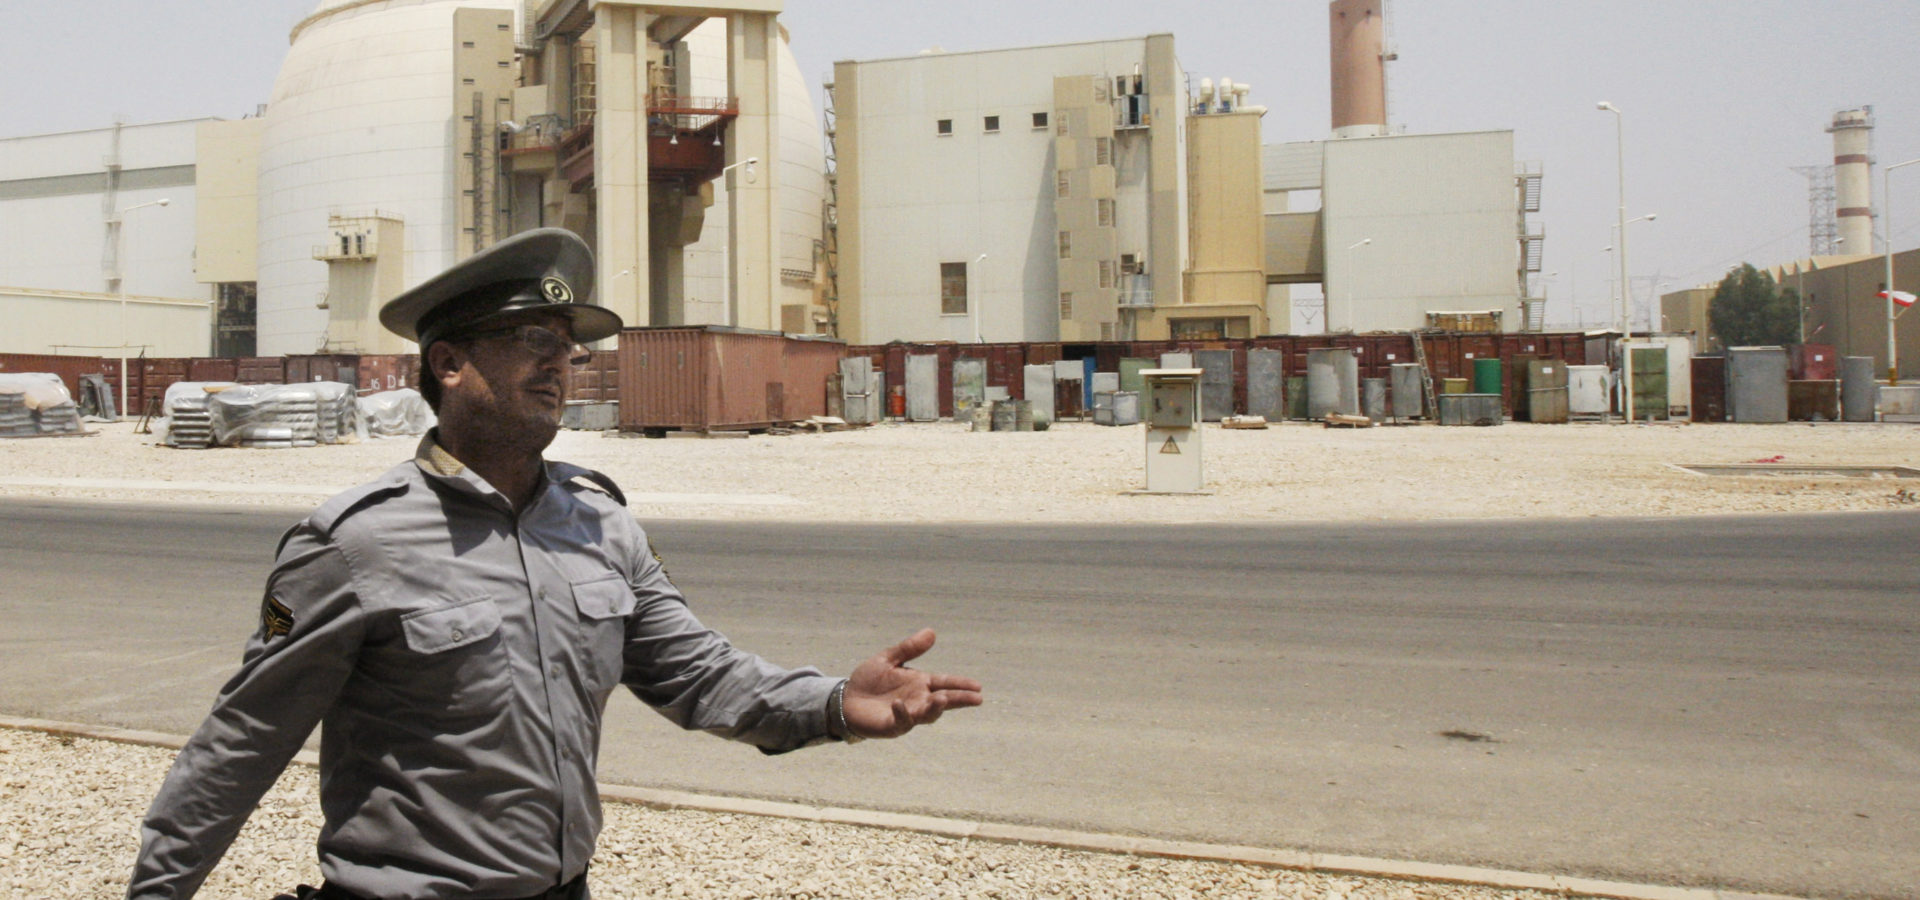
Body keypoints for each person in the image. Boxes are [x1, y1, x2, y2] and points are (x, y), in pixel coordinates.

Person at [128, 228, 984, 900]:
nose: (561, 362)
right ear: (449, 363)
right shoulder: (352, 544)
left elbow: (702, 676)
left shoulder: (601, 526)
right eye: (532, 338)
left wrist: (834, 701)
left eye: (568, 346)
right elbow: (241, 741)